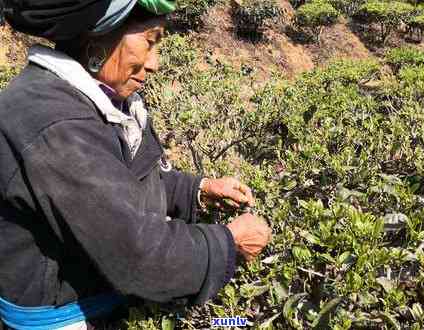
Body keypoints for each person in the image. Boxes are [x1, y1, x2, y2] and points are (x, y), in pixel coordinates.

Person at [0, 0, 272, 329]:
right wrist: (228, 243)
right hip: (66, 318)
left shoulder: (89, 98)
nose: (155, 63)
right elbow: (138, 255)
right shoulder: (57, 124)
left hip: (100, 298)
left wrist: (196, 190)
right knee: (235, 324)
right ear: (98, 37)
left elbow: (125, 177)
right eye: (150, 40)